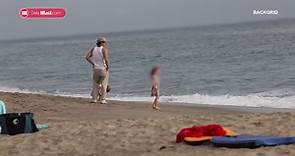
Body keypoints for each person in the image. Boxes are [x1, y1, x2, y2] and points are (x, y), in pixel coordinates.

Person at [85, 37, 110, 104]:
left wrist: (93, 63)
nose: (105, 43)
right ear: (101, 42)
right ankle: (103, 99)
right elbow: (106, 59)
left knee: (95, 84)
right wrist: (108, 67)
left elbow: (87, 57)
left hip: (96, 69)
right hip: (103, 68)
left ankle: (94, 99)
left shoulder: (93, 49)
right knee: (104, 84)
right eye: (104, 42)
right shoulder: (104, 49)